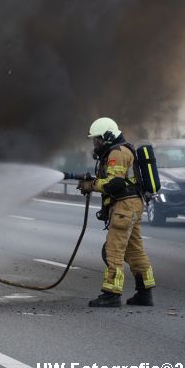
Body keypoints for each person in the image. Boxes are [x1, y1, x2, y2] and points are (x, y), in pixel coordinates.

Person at [77, 117, 155, 307]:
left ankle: (111, 294)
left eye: (97, 139)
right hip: (133, 204)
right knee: (135, 250)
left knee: (113, 250)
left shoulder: (117, 153)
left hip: (124, 206)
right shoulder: (121, 150)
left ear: (108, 137)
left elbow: (115, 183)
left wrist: (91, 185)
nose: (95, 144)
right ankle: (144, 293)